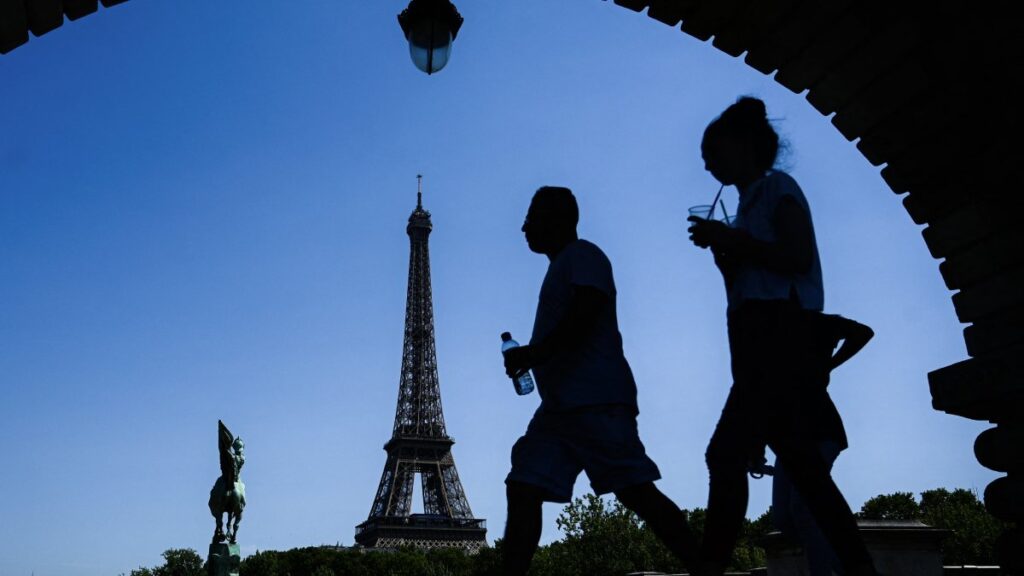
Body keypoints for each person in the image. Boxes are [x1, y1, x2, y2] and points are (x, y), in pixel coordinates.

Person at [685, 97, 881, 576]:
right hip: (763, 347)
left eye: (712, 151)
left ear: (742, 147)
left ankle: (709, 567)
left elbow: (794, 258)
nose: (706, 162)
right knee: (808, 476)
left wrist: (732, 242)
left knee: (726, 455)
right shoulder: (750, 204)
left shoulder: (778, 189)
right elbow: (757, 277)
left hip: (776, 342)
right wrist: (725, 253)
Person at [501, 186, 699, 576]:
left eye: (532, 216)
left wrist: (535, 354)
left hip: (594, 399)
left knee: (635, 492)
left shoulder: (583, 255)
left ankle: (702, 565)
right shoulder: (564, 264)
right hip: (560, 408)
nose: (524, 226)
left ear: (559, 219)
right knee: (523, 487)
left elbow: (586, 313)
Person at [767, 313, 875, 576]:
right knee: (784, 516)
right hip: (788, 437)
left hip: (820, 430)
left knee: (803, 508)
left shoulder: (817, 322)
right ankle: (845, 566)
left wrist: (829, 364)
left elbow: (863, 332)